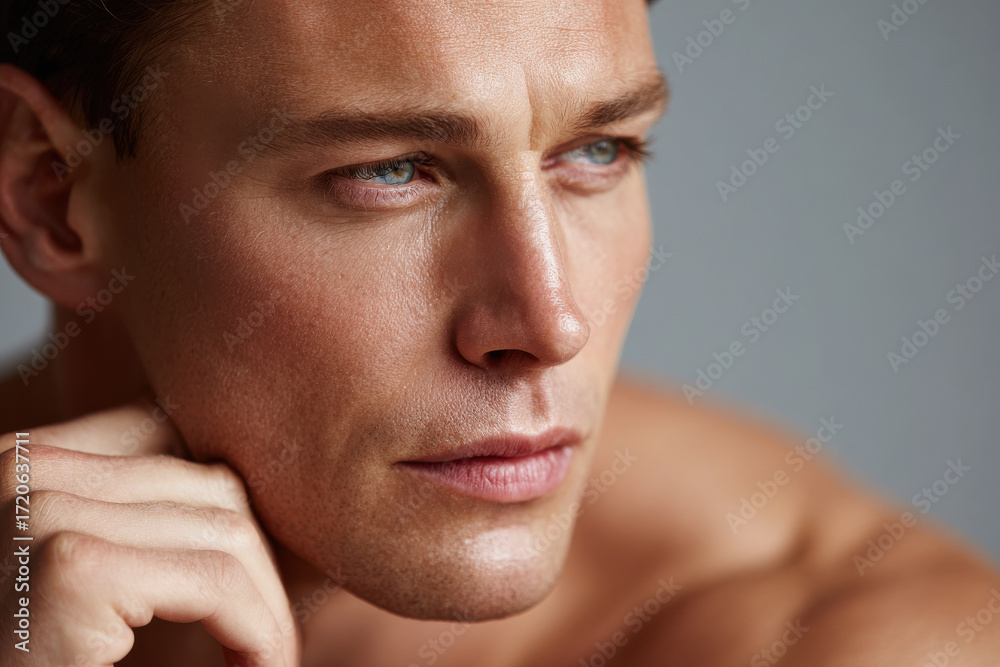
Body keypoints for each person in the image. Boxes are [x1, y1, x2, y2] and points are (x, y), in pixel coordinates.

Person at [0, 0, 997, 665]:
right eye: (389, 170)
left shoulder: (843, 636)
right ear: (52, 195)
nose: (549, 322)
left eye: (597, 150)